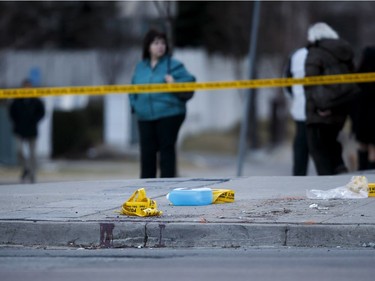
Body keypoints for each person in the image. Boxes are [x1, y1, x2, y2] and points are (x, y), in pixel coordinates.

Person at [129, 29, 196, 178]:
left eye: (163, 43)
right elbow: (132, 88)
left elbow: (190, 83)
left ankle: (167, 190)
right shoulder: (140, 66)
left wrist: (174, 83)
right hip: (145, 116)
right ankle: (146, 192)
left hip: (169, 114)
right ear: (148, 46)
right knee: (147, 154)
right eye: (156, 43)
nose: (160, 46)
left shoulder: (173, 65)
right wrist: (135, 106)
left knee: (166, 151)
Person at [304, 22, 357, 175]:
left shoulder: (315, 52)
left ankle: (328, 184)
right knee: (333, 143)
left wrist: (321, 107)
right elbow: (353, 78)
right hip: (341, 106)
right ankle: (340, 172)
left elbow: (310, 83)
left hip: (321, 109)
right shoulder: (345, 51)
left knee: (318, 148)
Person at [9, 79, 45, 183]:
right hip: (19, 130)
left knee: (33, 154)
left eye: (28, 86)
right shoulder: (17, 99)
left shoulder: (36, 100)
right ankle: (26, 168)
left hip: (32, 130)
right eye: (25, 86)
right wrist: (17, 122)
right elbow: (12, 113)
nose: (27, 89)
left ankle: (32, 174)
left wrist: (34, 120)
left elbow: (41, 112)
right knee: (19, 150)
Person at [284, 47, 309, 176]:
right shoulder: (327, 52)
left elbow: (287, 82)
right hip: (321, 110)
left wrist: (296, 96)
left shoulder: (296, 55)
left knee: (301, 144)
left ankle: (299, 178)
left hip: (300, 109)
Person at [351, 46, 375, 170]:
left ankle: (363, 171)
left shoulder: (359, 75)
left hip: (362, 119)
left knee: (362, 146)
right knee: (373, 149)